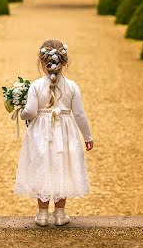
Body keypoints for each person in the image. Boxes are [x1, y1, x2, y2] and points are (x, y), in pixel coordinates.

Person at [14, 39, 94, 226]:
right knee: (62, 167)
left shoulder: (36, 86)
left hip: (41, 133)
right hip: (65, 132)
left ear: (42, 63)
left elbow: (31, 111)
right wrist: (88, 137)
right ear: (64, 63)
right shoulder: (72, 86)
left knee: (43, 166)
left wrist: (21, 112)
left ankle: (42, 215)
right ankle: (60, 214)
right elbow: (80, 114)